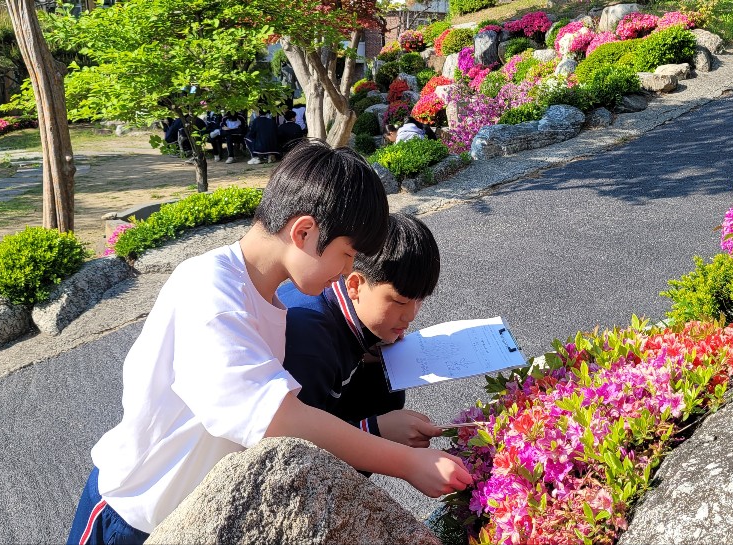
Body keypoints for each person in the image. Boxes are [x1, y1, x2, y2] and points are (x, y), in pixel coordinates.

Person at [65, 141, 471, 545]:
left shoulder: (263, 295)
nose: (348, 270)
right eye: (347, 254)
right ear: (304, 231)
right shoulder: (212, 293)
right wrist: (406, 462)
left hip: (190, 518)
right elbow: (277, 421)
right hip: (133, 512)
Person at [277, 213, 441, 454]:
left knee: (385, 374)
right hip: (279, 452)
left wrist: (370, 351)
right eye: (400, 301)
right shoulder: (310, 341)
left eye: (420, 300)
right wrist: (374, 431)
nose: (411, 316)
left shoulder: (336, 302)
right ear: (355, 285)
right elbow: (291, 446)